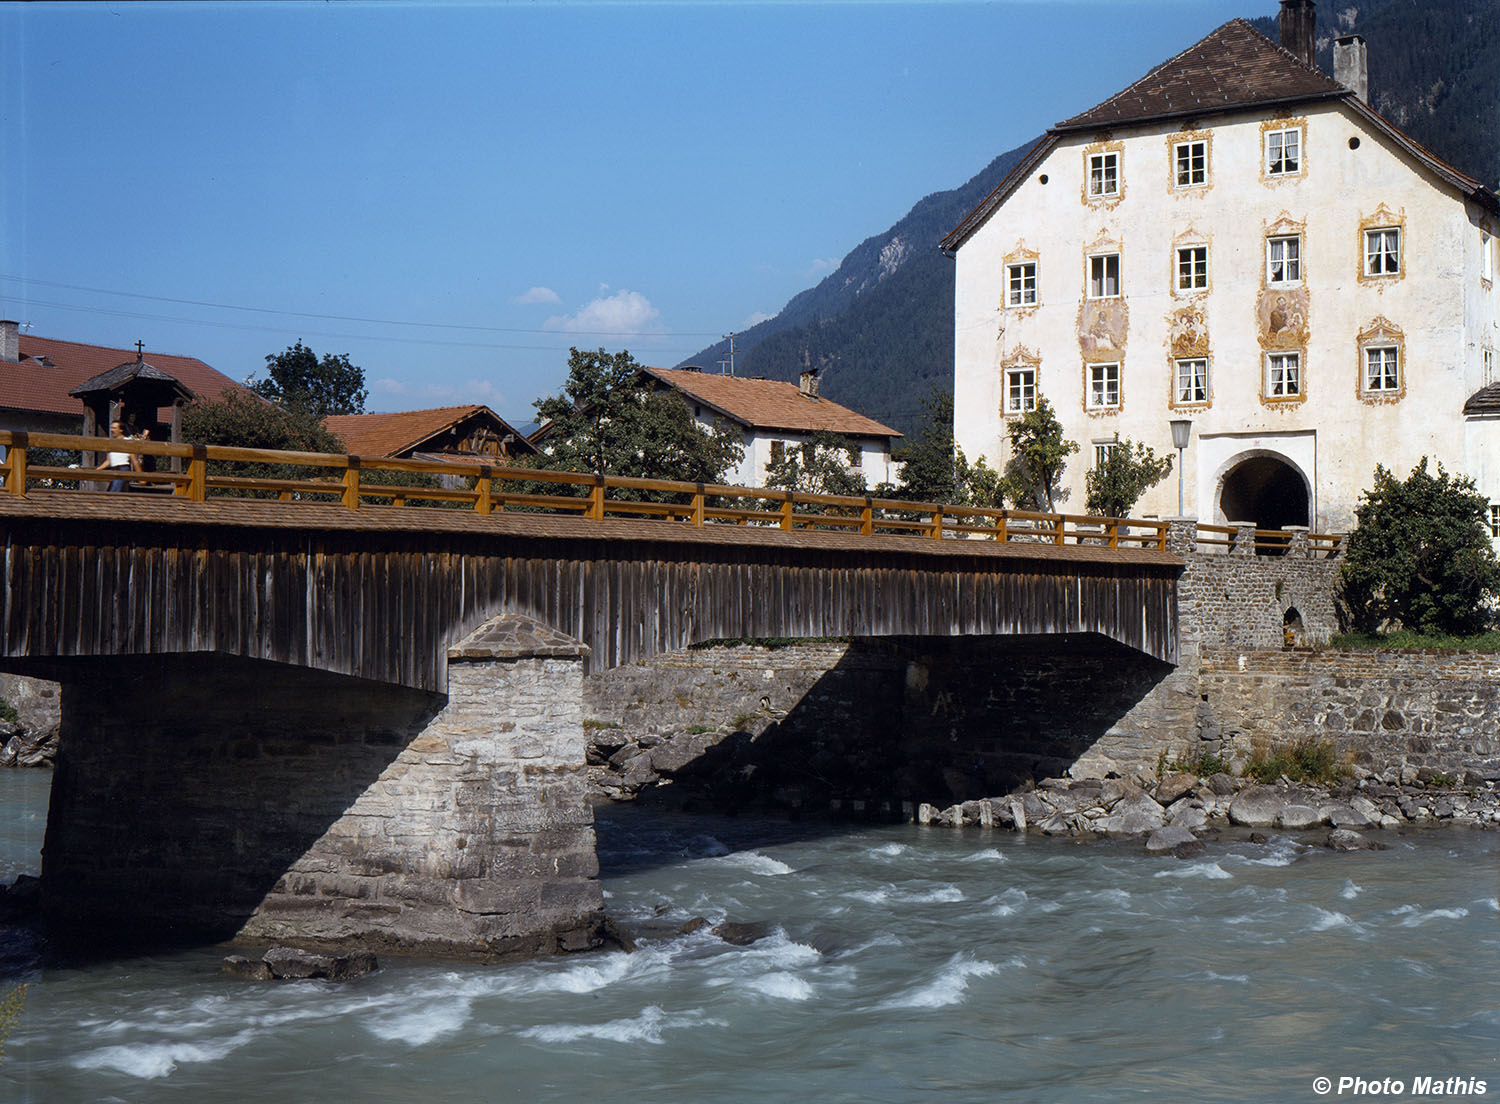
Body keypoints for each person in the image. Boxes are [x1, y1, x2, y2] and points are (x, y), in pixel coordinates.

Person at [95, 420, 138, 492]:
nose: (112, 430)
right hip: (114, 469)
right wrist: (98, 470)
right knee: (111, 491)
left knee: (114, 492)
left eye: (114, 428)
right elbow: (108, 461)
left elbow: (135, 460)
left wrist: (140, 477)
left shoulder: (127, 441)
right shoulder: (111, 443)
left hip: (123, 469)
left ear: (121, 430)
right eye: (111, 428)